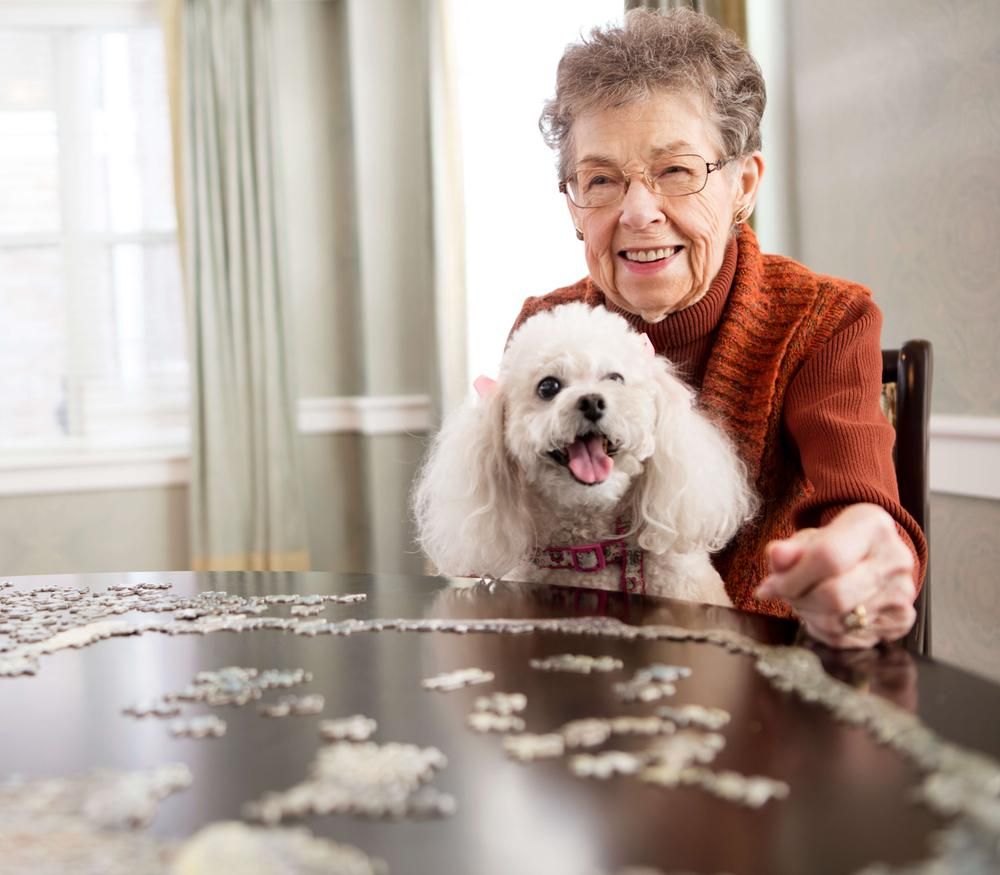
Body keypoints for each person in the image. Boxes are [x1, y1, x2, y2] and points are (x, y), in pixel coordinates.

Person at [510, 8, 926, 649]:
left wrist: (862, 555)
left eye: (676, 171)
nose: (639, 212)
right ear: (572, 205)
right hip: (578, 670)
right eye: (600, 180)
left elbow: (857, 498)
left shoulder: (824, 321)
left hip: (773, 684)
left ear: (743, 186)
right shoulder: (543, 327)